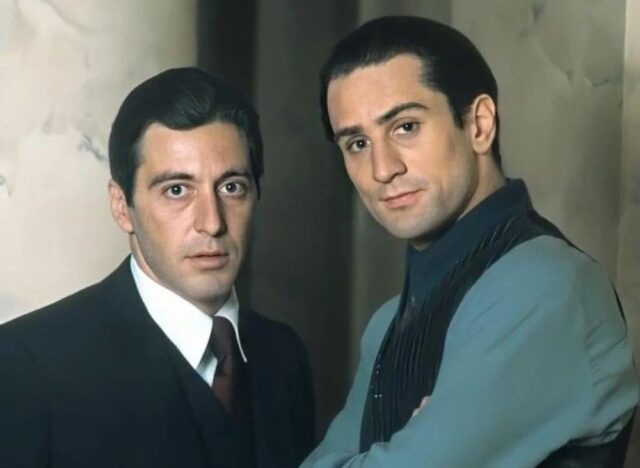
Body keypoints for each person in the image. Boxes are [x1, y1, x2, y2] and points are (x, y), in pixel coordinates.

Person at [303, 16, 638, 467]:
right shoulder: (387, 323)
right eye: (358, 143)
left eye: (405, 127)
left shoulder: (544, 287)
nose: (383, 169)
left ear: (479, 125)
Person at [0, 67, 314, 468]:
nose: (212, 222)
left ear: (256, 195)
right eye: (176, 190)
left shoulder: (284, 355)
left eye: (231, 187)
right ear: (122, 207)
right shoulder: (28, 368)